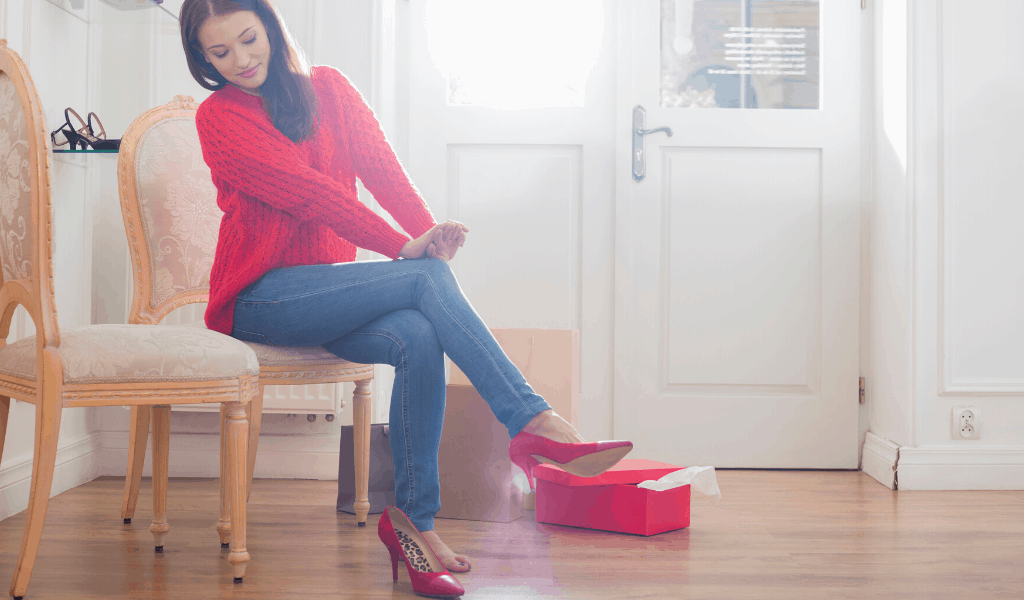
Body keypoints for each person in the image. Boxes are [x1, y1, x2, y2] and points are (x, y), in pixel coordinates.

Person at [179, 0, 632, 596]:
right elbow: (309, 195)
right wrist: (405, 247)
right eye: (220, 52)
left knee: (418, 336)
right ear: (203, 59)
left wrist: (429, 237)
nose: (240, 59)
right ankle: (532, 420)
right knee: (419, 280)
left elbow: (382, 169)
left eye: (248, 39)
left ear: (270, 29)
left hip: (324, 288)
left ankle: (415, 530)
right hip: (258, 298)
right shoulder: (218, 117)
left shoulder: (331, 90)